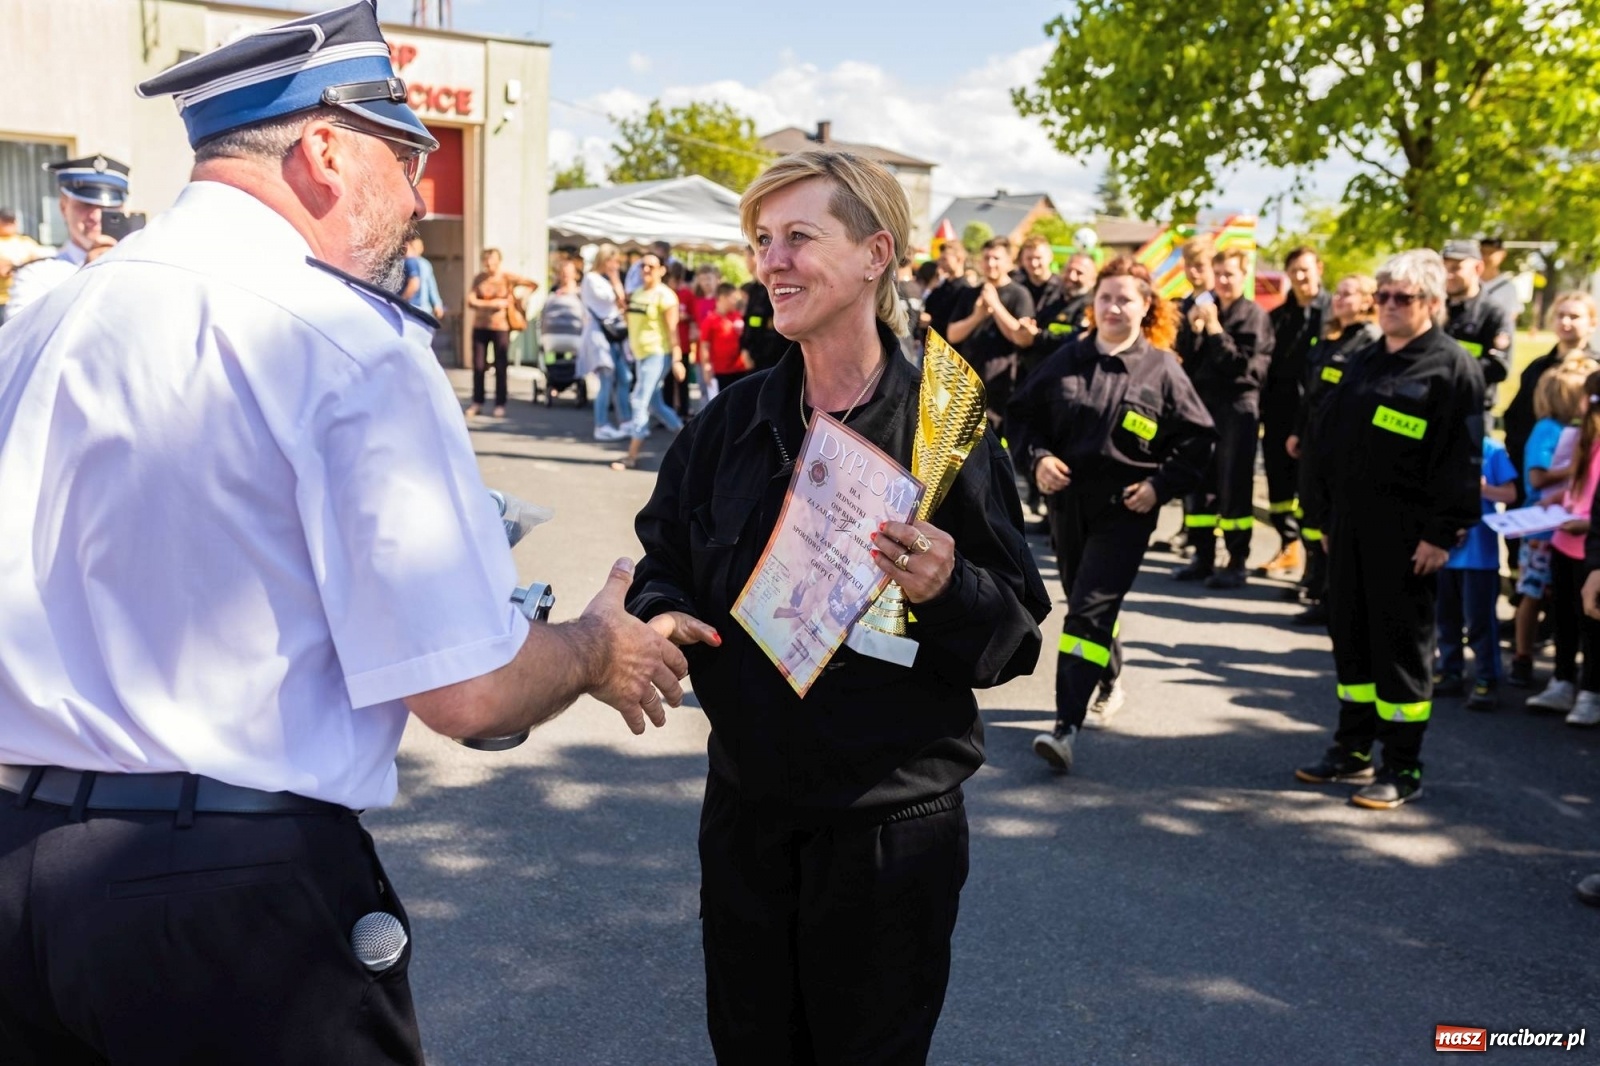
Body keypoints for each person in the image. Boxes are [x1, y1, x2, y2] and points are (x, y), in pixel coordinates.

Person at [0, 5, 689, 1061]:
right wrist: (601, 646)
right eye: (404, 155)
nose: (419, 195)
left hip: (21, 859)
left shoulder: (44, 319)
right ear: (324, 148)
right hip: (227, 900)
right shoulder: (341, 337)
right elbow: (470, 693)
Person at [626, 149, 1048, 1063]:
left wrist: (948, 589)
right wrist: (660, 614)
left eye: (798, 238)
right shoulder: (729, 423)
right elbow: (663, 560)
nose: (771, 261)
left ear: (875, 255)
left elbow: (1015, 635)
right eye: (761, 241)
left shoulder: (948, 424)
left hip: (890, 833)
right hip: (748, 817)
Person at [1295, 249, 1483, 810]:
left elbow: (1462, 460)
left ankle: (1401, 765)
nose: (1389, 306)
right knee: (1351, 642)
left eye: (1403, 298)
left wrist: (1441, 533)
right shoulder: (1365, 358)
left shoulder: (1452, 367)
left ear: (1431, 303)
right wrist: (1323, 517)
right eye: (1383, 296)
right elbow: (1331, 442)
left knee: (1400, 650)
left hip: (1409, 539)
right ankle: (1352, 749)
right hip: (1350, 530)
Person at [1008, 257, 1215, 763]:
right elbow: (1021, 418)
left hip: (1126, 509)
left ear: (1146, 307)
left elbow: (1199, 439)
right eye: (1106, 297)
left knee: (1087, 610)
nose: (1114, 306)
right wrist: (1037, 460)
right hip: (1068, 505)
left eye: (1125, 298)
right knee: (1088, 601)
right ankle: (1110, 678)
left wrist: (1159, 486)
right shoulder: (1066, 358)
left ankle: (1065, 727)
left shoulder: (1162, 368)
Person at [1175, 247, 1275, 588]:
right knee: (1200, 486)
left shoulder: (1254, 316)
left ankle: (1235, 561)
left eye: (1230, 274)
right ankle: (1202, 556)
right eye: (1219, 275)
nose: (1223, 281)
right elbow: (1185, 363)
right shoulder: (1203, 308)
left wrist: (1216, 331)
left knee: (1234, 486)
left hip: (1237, 409)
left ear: (1243, 276)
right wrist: (1192, 331)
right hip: (1203, 407)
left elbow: (1243, 369)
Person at [1287, 273, 1381, 627]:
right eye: (1338, 293)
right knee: (1312, 510)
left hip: (1341, 440)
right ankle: (1315, 579)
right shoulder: (1328, 337)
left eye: (1348, 294)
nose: (1339, 299)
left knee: (1333, 516)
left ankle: (1332, 596)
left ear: (1366, 300)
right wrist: (1298, 431)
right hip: (1315, 435)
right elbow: (1309, 392)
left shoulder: (1369, 340)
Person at [1516, 363, 1594, 694]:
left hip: (1573, 532)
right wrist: (1575, 470)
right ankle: (1524, 659)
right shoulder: (1550, 430)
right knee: (1536, 596)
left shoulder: (1581, 433)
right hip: (1547, 532)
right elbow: (1538, 478)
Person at [1261, 247, 1331, 576]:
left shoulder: (1333, 314)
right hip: (1279, 411)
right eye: (1293, 271)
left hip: (1318, 416)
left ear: (1319, 269)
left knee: (1313, 490)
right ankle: (1288, 546)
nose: (1300, 277)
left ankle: (1316, 565)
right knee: (1279, 486)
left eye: (1305, 270)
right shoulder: (1278, 317)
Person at [1434, 435, 1517, 709]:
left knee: (1479, 620)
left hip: (1479, 555)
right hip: (1445, 552)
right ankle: (1450, 670)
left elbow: (1510, 493)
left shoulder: (1490, 449)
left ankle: (1487, 677)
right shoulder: (1439, 442)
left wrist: (1482, 490)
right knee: (1446, 617)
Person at [6, 156, 130, 317]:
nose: (96, 216)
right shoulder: (36, 275)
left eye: (108, 206)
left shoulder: (144, 265)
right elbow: (21, 337)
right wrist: (85, 279)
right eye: (85, 204)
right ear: (64, 208)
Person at [1544, 372, 1600, 727]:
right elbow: (1579, 489)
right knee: (1562, 615)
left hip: (1589, 549)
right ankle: (1562, 680)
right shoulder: (1584, 439)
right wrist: (1556, 502)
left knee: (1590, 624)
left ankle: (1590, 692)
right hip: (1564, 542)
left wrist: (1585, 523)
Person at [1504, 292, 1598, 487]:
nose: (1565, 322)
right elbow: (1517, 416)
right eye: (1560, 314)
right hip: (1536, 463)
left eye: (1574, 317)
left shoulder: (1596, 370)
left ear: (1592, 323)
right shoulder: (1538, 368)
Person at [948, 236, 1036, 432]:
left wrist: (995, 306)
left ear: (1009, 261)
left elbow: (1021, 338)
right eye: (986, 258)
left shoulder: (1019, 294)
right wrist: (977, 317)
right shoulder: (969, 293)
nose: (990, 263)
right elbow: (952, 334)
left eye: (996, 258)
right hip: (966, 384)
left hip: (1001, 386)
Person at [610, 251, 684, 470]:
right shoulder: (638, 293)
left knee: (639, 399)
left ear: (662, 270)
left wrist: (677, 359)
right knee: (656, 404)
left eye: (651, 267)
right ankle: (690, 437)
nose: (646, 270)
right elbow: (630, 320)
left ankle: (631, 456)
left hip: (658, 353)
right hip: (640, 355)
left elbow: (673, 331)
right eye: (643, 266)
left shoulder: (666, 296)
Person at [1441, 238, 1513, 414]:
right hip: (1436, 407)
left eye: (1456, 268)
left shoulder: (1494, 313)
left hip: (1471, 410)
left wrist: (1444, 365)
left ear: (1478, 268)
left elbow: (1499, 368)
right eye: (1444, 268)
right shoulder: (1435, 307)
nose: (1448, 275)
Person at [466, 247, 538, 418]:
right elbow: (471, 300)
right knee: (478, 365)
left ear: (499, 261)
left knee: (500, 365)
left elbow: (532, 284)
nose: (489, 265)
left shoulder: (507, 278)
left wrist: (521, 298)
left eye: (492, 261)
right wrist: (493, 304)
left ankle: (500, 403)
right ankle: (477, 401)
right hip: (480, 325)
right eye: (487, 261)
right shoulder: (479, 278)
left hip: (501, 327)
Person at [581, 242, 633, 441]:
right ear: (605, 260)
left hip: (612, 336)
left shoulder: (603, 279)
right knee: (606, 380)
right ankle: (601, 424)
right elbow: (618, 298)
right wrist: (614, 280)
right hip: (600, 335)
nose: (616, 265)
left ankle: (626, 420)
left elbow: (621, 301)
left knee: (624, 377)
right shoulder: (592, 279)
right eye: (614, 260)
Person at [1027, 251, 1098, 364]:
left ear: (1092, 279)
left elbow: (1077, 338)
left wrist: (1037, 337)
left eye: (1079, 273)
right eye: (1068, 270)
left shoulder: (1092, 306)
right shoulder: (1053, 298)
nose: (1071, 277)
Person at [740, 247, 788, 371]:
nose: (745, 261)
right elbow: (751, 321)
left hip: (773, 356)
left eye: (746, 257)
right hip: (755, 354)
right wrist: (746, 348)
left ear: (755, 257)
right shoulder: (753, 289)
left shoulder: (774, 287)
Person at [699, 281, 752, 391]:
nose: (736, 302)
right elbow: (704, 346)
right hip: (721, 372)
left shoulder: (739, 317)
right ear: (722, 298)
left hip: (741, 369)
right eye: (733, 298)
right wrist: (706, 367)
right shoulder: (710, 320)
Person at [923, 237, 974, 340]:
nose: (940, 263)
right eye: (940, 259)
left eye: (945, 259)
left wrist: (932, 321)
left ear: (959, 259)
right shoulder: (942, 285)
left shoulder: (965, 290)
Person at [0, 208, 44, 326]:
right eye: (5, 221)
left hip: (25, 299)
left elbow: (39, 264)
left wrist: (14, 266)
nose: (9, 224)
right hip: (2, 300)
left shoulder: (26, 242)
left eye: (11, 221)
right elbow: (3, 270)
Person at [1479, 236, 1524, 327]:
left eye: (1491, 253)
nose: (1486, 257)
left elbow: (1511, 317)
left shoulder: (1508, 288)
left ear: (1502, 255)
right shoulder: (1468, 282)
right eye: (1483, 252)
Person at [400, 234, 444, 319]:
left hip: (423, 307)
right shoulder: (405, 262)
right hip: (411, 306)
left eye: (419, 247)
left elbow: (431, 286)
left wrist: (437, 304)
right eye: (414, 246)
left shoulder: (424, 264)